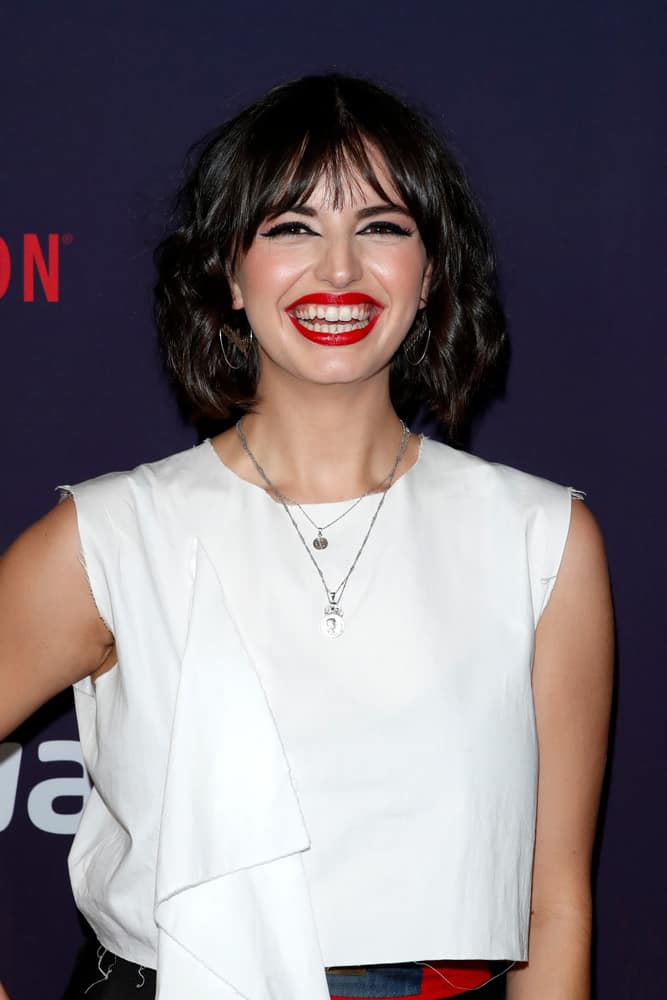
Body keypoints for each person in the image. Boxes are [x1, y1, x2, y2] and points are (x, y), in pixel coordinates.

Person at [0, 74, 613, 999]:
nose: (338, 270)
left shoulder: (540, 537)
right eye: (291, 228)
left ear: (430, 271)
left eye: (381, 227)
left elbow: (552, 906)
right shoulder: (110, 535)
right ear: (228, 275)